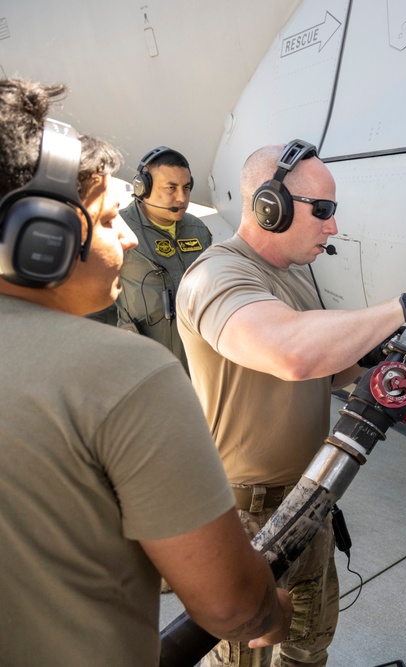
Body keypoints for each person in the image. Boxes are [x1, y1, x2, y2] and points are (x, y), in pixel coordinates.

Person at [0, 78, 292, 665]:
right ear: (40, 241)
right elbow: (232, 605)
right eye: (108, 221)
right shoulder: (124, 376)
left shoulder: (197, 240)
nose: (127, 237)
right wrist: (274, 610)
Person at [176, 139, 406, 667]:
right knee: (238, 658)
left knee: (308, 644)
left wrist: (377, 354)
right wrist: (402, 307)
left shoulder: (290, 277)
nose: (333, 226)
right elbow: (291, 353)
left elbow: (323, 372)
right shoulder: (217, 276)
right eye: (323, 211)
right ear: (270, 206)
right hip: (243, 518)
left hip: (312, 492)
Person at [89, 145, 212, 372]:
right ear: (142, 188)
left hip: (198, 361)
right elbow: (93, 306)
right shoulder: (117, 229)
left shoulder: (198, 230)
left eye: (186, 187)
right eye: (171, 188)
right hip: (141, 363)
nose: (181, 197)